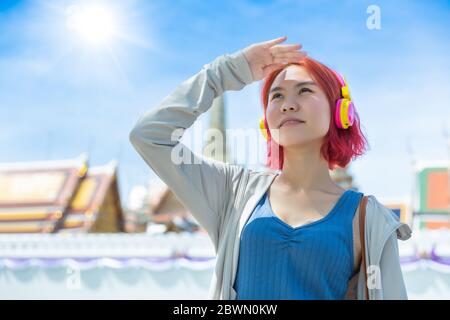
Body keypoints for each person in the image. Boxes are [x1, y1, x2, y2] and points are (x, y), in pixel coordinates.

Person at [129, 36, 411, 300]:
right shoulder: (234, 193)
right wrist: (227, 72)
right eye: (276, 96)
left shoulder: (368, 219)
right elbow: (149, 135)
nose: (288, 105)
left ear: (340, 111)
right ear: (266, 121)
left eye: (304, 91)